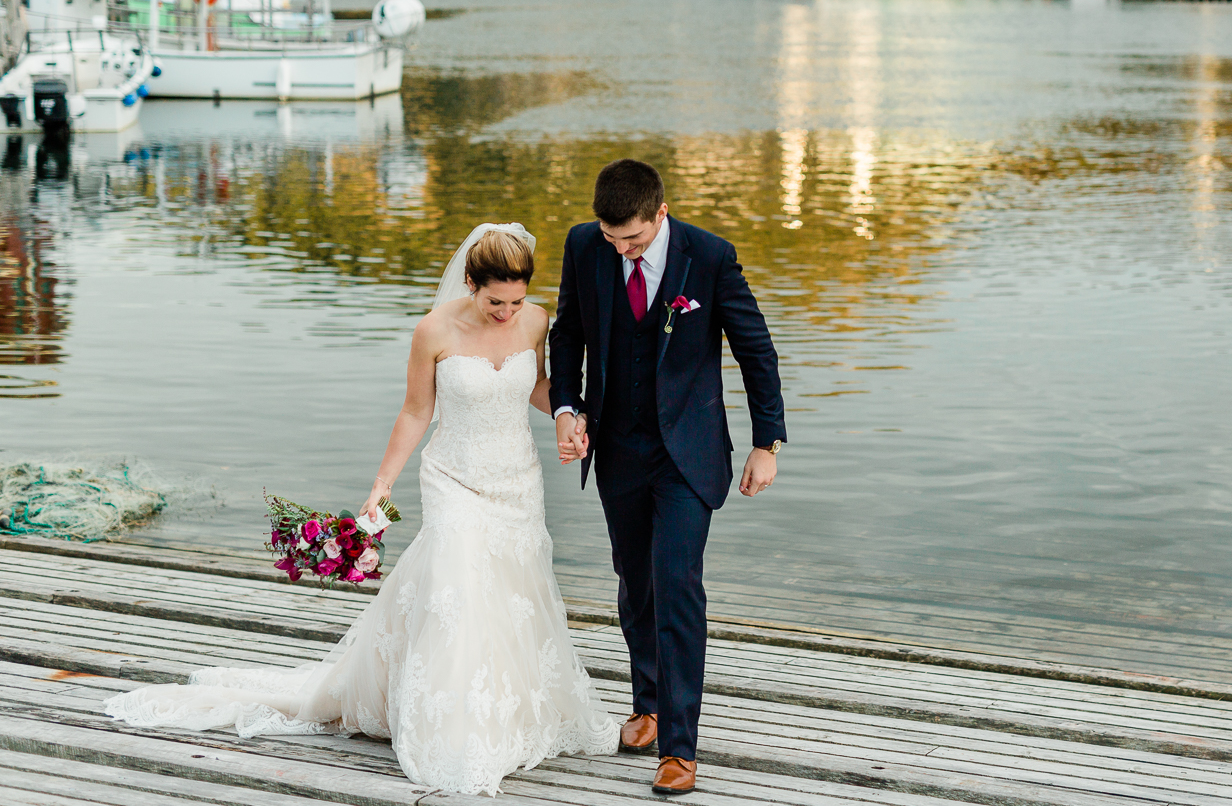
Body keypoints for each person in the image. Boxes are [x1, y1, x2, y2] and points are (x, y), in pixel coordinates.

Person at [103, 224, 619, 797]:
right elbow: (415, 413)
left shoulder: (536, 320)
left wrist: (574, 417)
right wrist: (381, 486)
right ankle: (456, 726)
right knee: (459, 594)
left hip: (518, 479)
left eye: (516, 301)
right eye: (495, 301)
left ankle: (510, 709)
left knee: (512, 592)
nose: (506, 312)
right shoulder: (434, 330)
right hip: (453, 478)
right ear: (471, 284)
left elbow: (537, 386)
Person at [548, 159, 787, 796]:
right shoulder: (584, 245)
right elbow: (567, 332)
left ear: (661, 214)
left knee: (677, 583)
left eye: (633, 239)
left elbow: (754, 347)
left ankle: (681, 746)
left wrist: (768, 442)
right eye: (611, 237)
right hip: (618, 449)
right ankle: (648, 704)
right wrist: (567, 408)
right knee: (635, 580)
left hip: (688, 451)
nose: (621, 249)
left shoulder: (708, 257)